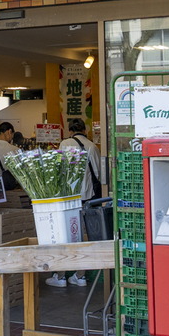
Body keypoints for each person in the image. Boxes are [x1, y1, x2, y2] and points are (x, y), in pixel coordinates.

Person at [47, 118, 105, 288]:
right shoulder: (92, 146)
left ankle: (61, 276)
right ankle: (80, 276)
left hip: (68, 198)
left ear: (70, 131)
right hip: (88, 197)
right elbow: (99, 174)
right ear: (85, 130)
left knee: (66, 234)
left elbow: (58, 169)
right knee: (85, 236)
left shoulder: (65, 144)